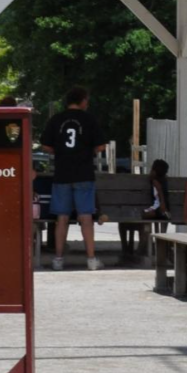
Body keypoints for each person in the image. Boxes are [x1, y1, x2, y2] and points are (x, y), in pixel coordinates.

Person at [41, 86, 107, 271]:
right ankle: (91, 259)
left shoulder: (56, 119)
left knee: (61, 217)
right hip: (84, 173)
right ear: (83, 100)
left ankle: (58, 259)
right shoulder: (89, 119)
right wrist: (87, 150)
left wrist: (61, 151)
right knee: (86, 217)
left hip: (62, 174)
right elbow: (101, 145)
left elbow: (45, 145)